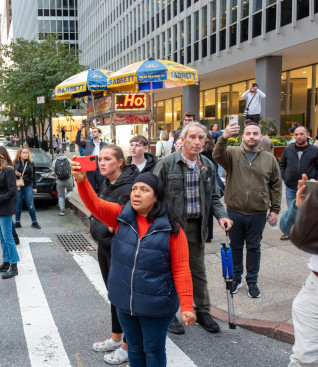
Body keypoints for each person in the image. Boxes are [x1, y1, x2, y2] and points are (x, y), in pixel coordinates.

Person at [73, 166, 196, 366]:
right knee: (135, 349)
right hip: (125, 303)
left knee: (154, 350)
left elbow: (181, 268)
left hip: (157, 305)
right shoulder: (121, 215)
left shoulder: (172, 229)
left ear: (157, 197)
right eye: (134, 189)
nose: (137, 193)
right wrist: (81, 181)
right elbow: (95, 205)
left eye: (144, 190)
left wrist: (187, 306)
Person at [154, 122, 232, 335]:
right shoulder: (166, 164)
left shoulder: (207, 164)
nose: (198, 142)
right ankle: (169, 315)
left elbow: (214, 196)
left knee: (197, 272)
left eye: (202, 138)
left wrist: (222, 216)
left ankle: (203, 311)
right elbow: (153, 197)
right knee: (169, 273)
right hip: (172, 230)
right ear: (183, 139)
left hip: (198, 227)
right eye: (193, 137)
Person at [213, 121, 282, 298]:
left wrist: (274, 209)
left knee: (254, 248)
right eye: (248, 133)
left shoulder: (269, 159)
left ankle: (252, 281)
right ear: (243, 136)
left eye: (255, 134)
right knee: (235, 247)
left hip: (257, 213)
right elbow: (217, 154)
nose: (252, 136)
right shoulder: (232, 154)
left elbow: (275, 185)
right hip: (235, 211)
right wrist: (224, 136)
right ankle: (236, 279)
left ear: (261, 138)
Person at [87, 145, 138, 365]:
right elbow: (98, 214)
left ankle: (128, 346)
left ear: (120, 162)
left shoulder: (128, 188)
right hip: (105, 247)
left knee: (125, 298)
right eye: (100, 159)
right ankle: (116, 338)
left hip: (119, 250)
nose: (102, 163)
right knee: (113, 295)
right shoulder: (108, 183)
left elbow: (120, 224)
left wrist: (104, 227)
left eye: (107, 159)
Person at [279, 174, 318, 367]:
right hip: (315, 284)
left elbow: (301, 238)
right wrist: (299, 209)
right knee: (304, 359)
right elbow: (287, 228)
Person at [279, 126, 318, 240]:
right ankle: (290, 230)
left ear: (307, 134)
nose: (298, 137)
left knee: (308, 209)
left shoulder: (315, 151)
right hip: (291, 186)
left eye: (301, 134)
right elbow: (282, 164)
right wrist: (285, 176)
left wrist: (314, 180)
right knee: (292, 209)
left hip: (308, 187)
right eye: (296, 134)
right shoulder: (288, 149)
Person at [0, 146, 20, 279]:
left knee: (8, 238)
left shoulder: (8, 171)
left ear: (1, 156)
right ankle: (6, 262)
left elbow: (13, 192)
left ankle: (14, 266)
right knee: (1, 238)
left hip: (5, 209)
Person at [13, 147, 41, 229]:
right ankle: (17, 222)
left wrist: (35, 187)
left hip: (28, 186)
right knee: (18, 205)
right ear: (20, 154)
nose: (25, 154)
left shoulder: (30, 163)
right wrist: (16, 174)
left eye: (27, 153)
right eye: (24, 152)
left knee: (30, 204)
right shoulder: (15, 163)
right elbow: (11, 174)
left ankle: (34, 222)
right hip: (18, 186)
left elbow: (34, 175)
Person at [75, 123, 108, 193]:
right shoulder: (87, 143)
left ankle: (100, 203)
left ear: (100, 134)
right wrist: (80, 130)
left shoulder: (105, 145)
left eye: (95, 132)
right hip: (90, 168)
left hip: (100, 168)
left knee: (102, 189)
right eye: (92, 132)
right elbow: (77, 141)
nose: (93, 133)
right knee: (91, 189)